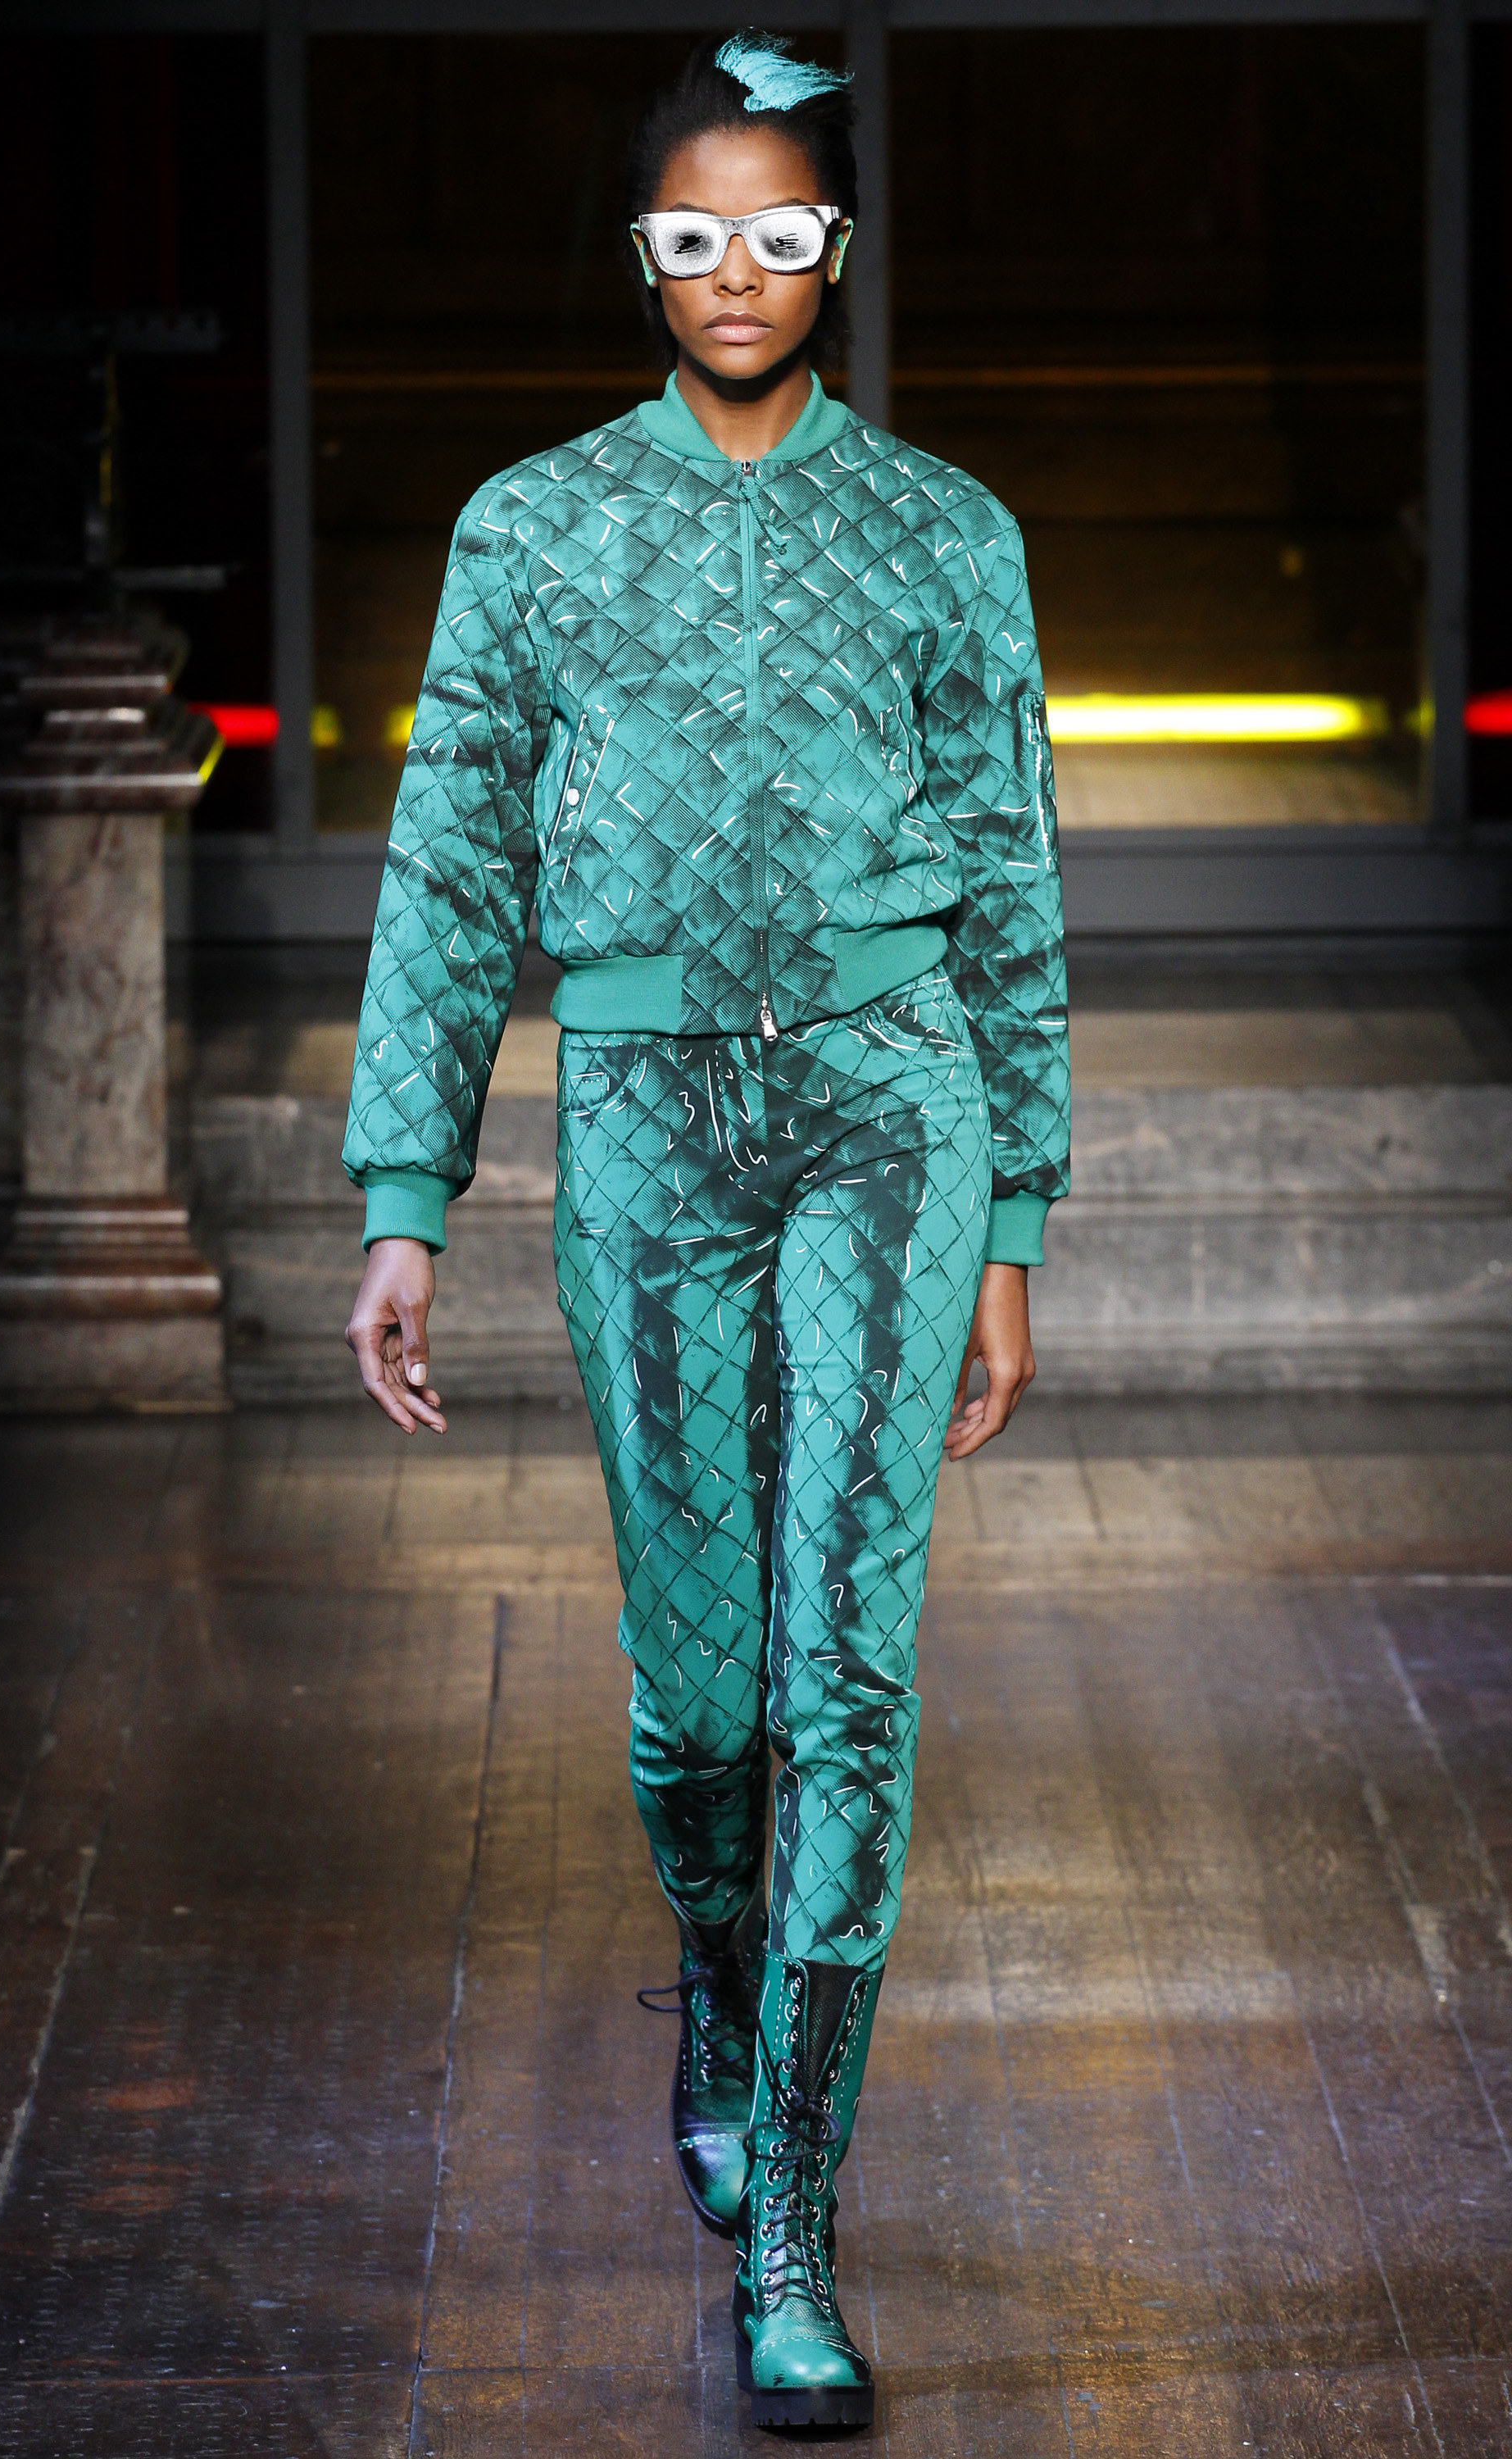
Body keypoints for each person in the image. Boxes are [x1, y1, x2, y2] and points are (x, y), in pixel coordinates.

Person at [343, 29, 1069, 2433]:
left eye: (778, 231)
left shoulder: (944, 529)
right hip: (645, 1117)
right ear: (641, 252)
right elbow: (450, 866)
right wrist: (407, 1197)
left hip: (890, 1104)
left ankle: (797, 2226)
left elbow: (1010, 872)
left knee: (846, 1668)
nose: (735, 271)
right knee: (701, 1697)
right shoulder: (533, 529)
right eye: (691, 231)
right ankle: (726, 1980)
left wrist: (1015, 1212)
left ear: (834, 250)